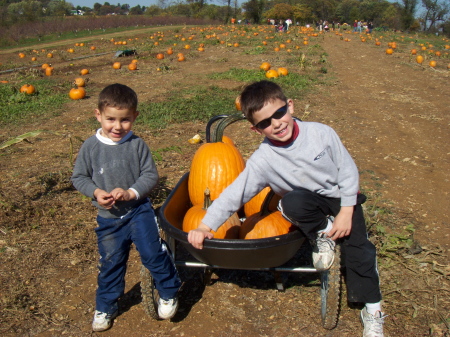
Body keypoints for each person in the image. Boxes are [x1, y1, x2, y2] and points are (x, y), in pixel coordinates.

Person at [188, 80, 386, 337]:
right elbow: (234, 194)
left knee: (359, 251)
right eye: (265, 123)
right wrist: (206, 225)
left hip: (340, 198)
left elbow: (348, 171)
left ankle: (372, 309)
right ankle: (322, 233)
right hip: (306, 203)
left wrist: (347, 210)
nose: (276, 124)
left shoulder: (321, 134)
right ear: (256, 129)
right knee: (289, 202)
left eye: (279, 113)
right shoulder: (264, 160)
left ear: (290, 106)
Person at [71, 83, 181, 332]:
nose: (117, 127)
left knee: (153, 253)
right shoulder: (91, 146)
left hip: (138, 210)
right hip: (109, 217)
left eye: (125, 120)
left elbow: (150, 175)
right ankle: (106, 306)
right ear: (98, 115)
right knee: (111, 262)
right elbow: (79, 178)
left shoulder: (137, 145)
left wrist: (131, 192)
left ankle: (168, 291)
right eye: (111, 119)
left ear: (135, 117)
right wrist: (96, 192)